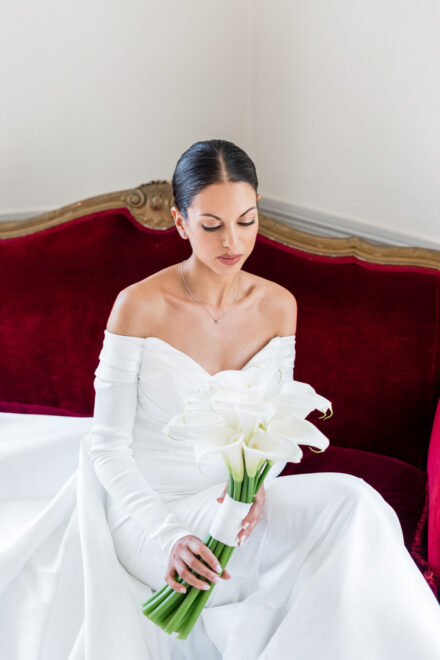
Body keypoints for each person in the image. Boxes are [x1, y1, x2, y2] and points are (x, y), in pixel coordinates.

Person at [1, 139, 440, 660]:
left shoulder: (277, 305)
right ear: (180, 222)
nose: (233, 241)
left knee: (356, 504)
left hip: (234, 502)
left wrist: (257, 486)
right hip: (148, 515)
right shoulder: (138, 306)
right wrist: (168, 536)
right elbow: (107, 447)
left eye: (246, 221)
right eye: (211, 225)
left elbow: (273, 424)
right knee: (267, 573)